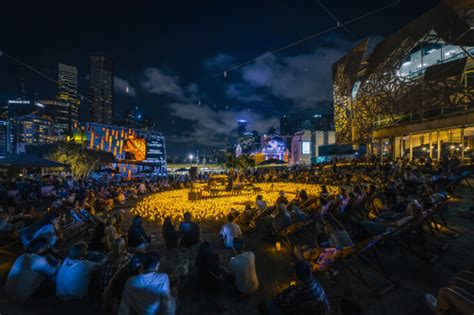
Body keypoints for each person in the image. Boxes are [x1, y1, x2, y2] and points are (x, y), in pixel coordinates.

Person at [262, 261, 330, 315]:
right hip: (323, 312)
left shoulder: (300, 293)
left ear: (297, 276)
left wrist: (281, 295)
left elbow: (283, 301)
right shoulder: (316, 282)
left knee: (268, 305)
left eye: (294, 274)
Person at [5, 237, 59, 302]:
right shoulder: (40, 261)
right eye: (45, 246)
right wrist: (58, 264)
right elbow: (53, 271)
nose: (47, 247)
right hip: (21, 296)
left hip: (8, 291)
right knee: (50, 277)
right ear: (41, 248)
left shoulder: (23, 255)